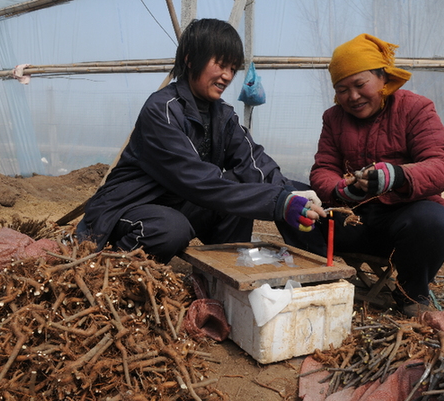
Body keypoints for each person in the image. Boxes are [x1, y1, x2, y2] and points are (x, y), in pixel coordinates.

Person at [77, 18, 325, 263]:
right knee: (169, 229)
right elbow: (197, 180)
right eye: (220, 64)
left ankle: (224, 280)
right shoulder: (162, 110)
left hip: (179, 202)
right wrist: (277, 202)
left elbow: (253, 163)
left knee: (240, 184)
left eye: (233, 68)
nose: (227, 76)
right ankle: (108, 269)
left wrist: (292, 192)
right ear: (190, 59)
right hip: (131, 205)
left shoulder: (223, 115)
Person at [309, 33, 444, 317]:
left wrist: (398, 176)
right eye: (342, 89)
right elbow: (323, 169)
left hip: (402, 223)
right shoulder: (334, 118)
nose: (352, 96)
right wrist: (342, 190)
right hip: (355, 221)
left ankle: (410, 295)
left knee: (432, 221)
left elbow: (442, 165)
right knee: (294, 203)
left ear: (383, 78)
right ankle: (317, 280)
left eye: (360, 84)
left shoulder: (415, 108)